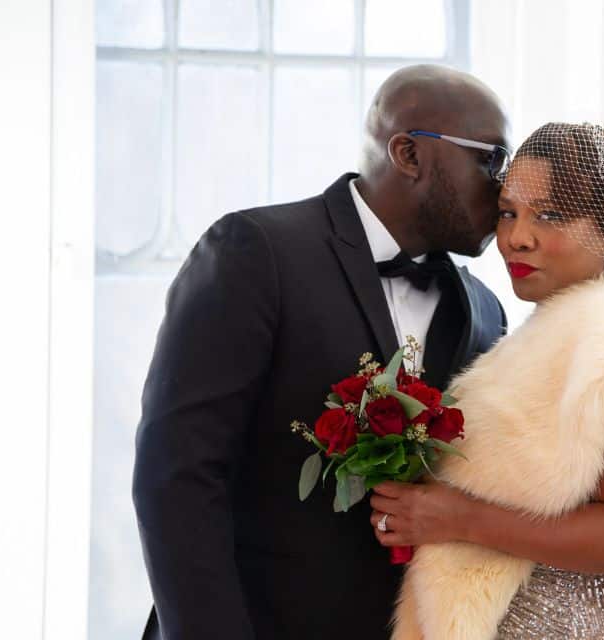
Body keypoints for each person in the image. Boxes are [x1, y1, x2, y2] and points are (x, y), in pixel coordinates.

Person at [132, 64, 512, 640]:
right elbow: (177, 477)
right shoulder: (255, 253)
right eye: (491, 159)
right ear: (409, 154)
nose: (505, 187)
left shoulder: (485, 313)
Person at [370, 122, 604, 639]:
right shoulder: (559, 332)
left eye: (550, 215)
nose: (517, 238)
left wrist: (458, 518)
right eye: (508, 213)